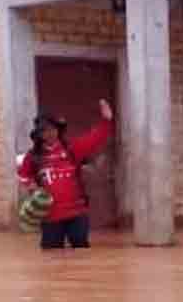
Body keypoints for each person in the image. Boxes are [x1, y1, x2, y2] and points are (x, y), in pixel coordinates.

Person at [17, 99, 114, 249]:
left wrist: (106, 121)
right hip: (50, 216)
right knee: (50, 255)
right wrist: (31, 186)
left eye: (52, 129)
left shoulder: (72, 149)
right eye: (44, 130)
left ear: (59, 130)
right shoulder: (33, 157)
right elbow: (23, 175)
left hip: (77, 213)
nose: (49, 133)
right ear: (39, 134)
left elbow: (94, 139)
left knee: (81, 252)